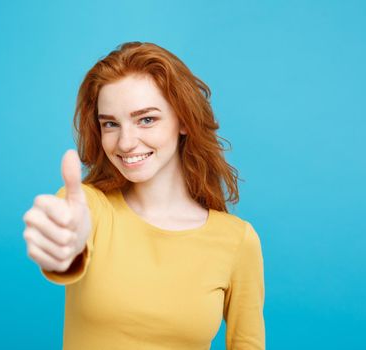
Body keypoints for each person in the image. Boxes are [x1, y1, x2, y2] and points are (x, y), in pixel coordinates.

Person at [22, 41, 265, 350]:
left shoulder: (237, 241)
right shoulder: (87, 207)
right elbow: (68, 246)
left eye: (146, 119)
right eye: (110, 124)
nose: (125, 142)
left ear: (184, 121)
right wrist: (65, 249)